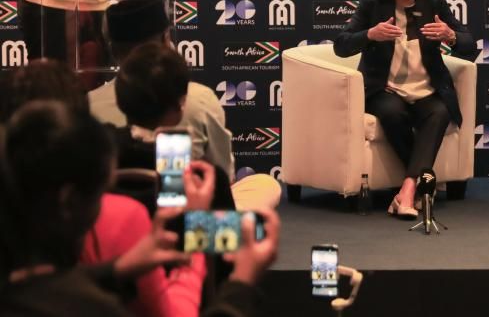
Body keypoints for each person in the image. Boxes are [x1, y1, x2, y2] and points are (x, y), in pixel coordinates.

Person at [0, 99, 280, 317]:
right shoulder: (92, 307)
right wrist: (240, 281)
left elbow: (45, 289)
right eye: (100, 194)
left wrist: (118, 268)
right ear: (68, 201)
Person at [88, 0, 280, 211]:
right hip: (183, 221)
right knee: (263, 186)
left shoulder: (95, 113)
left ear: (122, 102)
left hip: (110, 215)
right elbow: (206, 197)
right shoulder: (175, 151)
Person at [334, 0, 475, 218]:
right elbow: (341, 45)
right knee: (392, 112)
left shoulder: (435, 1)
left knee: (440, 112)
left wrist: (450, 35)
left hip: (426, 89)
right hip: (385, 90)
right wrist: (370, 34)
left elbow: (470, 46)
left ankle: (407, 191)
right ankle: (418, 189)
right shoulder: (371, 2)